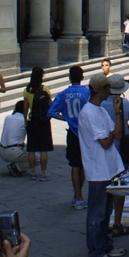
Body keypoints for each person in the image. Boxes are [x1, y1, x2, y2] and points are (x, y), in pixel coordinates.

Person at [78, 73, 126, 257]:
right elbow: (107, 141)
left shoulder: (100, 110)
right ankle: (96, 253)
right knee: (97, 214)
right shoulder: (89, 112)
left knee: (106, 212)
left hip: (109, 167)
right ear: (101, 89)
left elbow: (118, 134)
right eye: (107, 88)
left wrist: (117, 112)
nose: (110, 92)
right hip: (98, 169)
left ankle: (105, 245)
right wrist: (110, 133)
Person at [47, 65, 90, 208]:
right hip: (84, 132)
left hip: (72, 132)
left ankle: (77, 195)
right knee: (83, 164)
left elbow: (51, 112)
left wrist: (65, 118)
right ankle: (79, 195)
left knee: (74, 165)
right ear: (82, 76)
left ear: (70, 77)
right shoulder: (87, 92)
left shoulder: (63, 94)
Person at [101, 75, 129, 237]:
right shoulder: (124, 102)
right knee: (119, 188)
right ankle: (117, 222)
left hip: (103, 151)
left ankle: (104, 222)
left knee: (105, 188)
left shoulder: (99, 104)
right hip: (121, 150)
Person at [23, 67, 53, 182]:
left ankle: (33, 172)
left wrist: (25, 120)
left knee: (31, 148)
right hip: (43, 121)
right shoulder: (44, 88)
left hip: (32, 120)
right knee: (43, 149)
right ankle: (43, 173)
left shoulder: (27, 90)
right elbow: (50, 104)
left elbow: (25, 108)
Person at [0, 101, 29, 176]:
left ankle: (17, 165)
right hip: (13, 151)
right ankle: (18, 167)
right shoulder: (24, 121)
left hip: (1, 150)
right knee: (38, 159)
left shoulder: (7, 118)